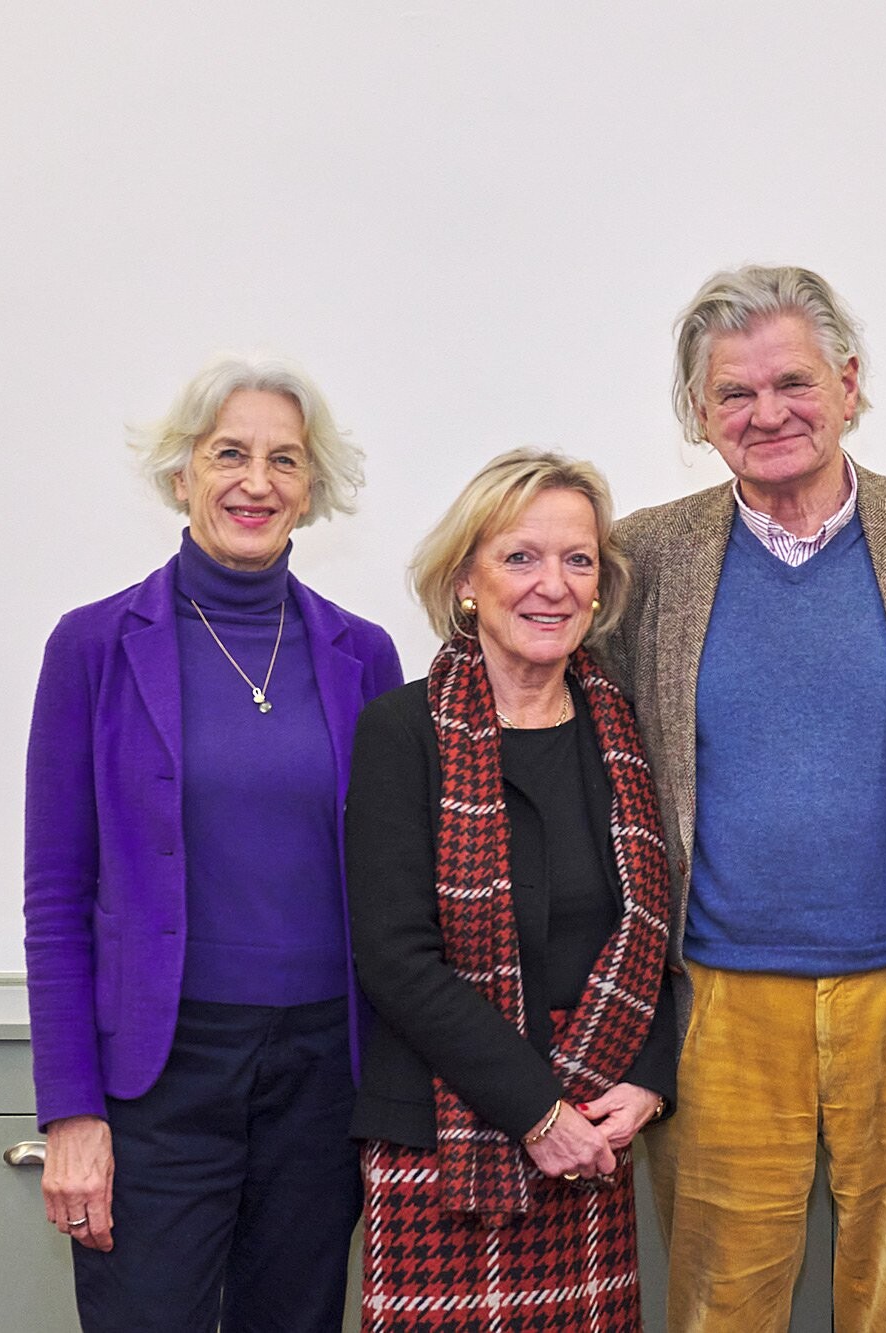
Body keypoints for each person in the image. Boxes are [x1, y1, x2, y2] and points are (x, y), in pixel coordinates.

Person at [602, 263, 886, 1331]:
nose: (768, 412)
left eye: (792, 381)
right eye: (734, 393)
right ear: (700, 413)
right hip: (716, 996)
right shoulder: (645, 555)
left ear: (848, 383)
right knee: (721, 1305)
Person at [23, 354, 403, 1330]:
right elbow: (56, 898)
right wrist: (71, 1113)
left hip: (322, 1078)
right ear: (181, 471)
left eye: (285, 458)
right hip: (159, 1074)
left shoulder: (365, 656)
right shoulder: (92, 647)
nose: (256, 481)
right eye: (229, 453)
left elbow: (391, 891)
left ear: (311, 485)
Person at [346, 448, 676, 1331]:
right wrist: (537, 1111)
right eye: (521, 557)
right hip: (444, 1137)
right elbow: (395, 957)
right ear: (467, 580)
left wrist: (648, 1080)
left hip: (596, 1128)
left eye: (578, 560)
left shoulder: (626, 728)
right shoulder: (401, 729)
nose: (553, 585)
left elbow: (659, 928)